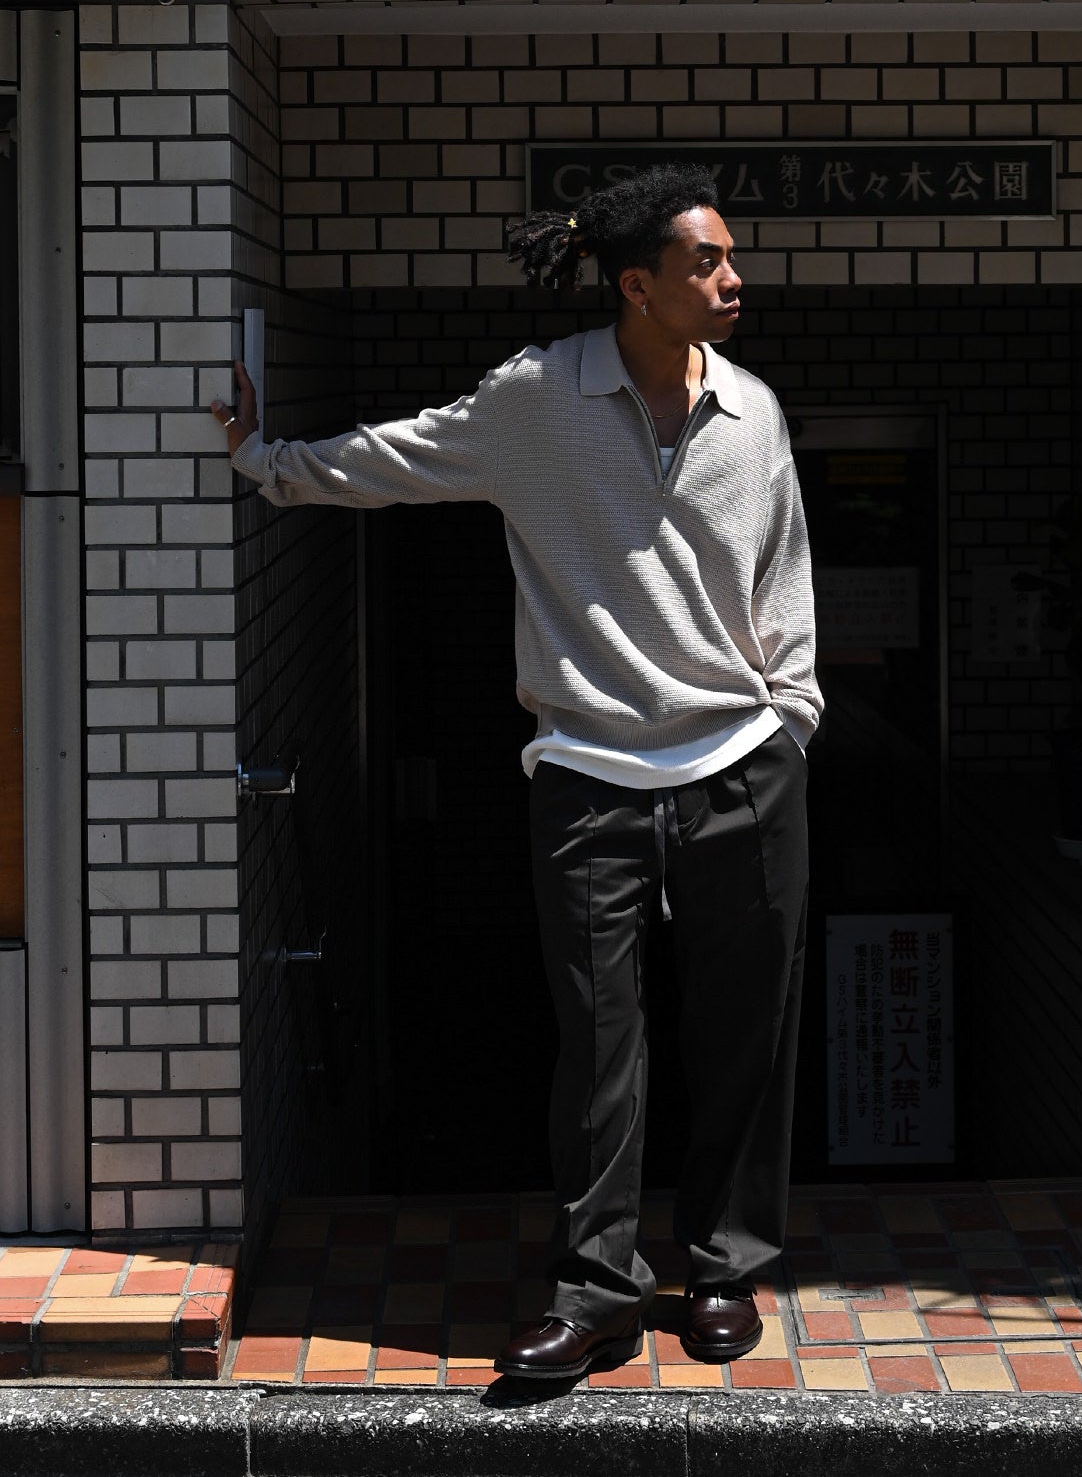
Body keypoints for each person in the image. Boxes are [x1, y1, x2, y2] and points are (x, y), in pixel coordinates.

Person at [211, 163, 822, 1380]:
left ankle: (724, 1268)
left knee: (747, 1035)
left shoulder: (753, 410)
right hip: (588, 771)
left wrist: (792, 719)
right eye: (707, 262)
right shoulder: (537, 397)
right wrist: (265, 459)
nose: (733, 279)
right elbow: (400, 457)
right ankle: (597, 1289)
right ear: (636, 285)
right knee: (598, 1045)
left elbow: (785, 573)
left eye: (730, 258)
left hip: (742, 769)